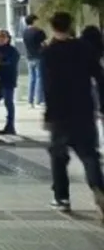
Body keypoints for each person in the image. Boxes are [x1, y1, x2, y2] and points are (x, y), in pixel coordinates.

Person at [42, 12, 104, 215]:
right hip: (83, 108)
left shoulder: (49, 52)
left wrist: (49, 114)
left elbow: (48, 86)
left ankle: (62, 198)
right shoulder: (84, 48)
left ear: (53, 27)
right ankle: (99, 188)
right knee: (89, 154)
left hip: (60, 112)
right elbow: (99, 76)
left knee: (58, 156)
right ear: (70, 26)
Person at [0, 29, 20, 136]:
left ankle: (10, 126)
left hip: (8, 80)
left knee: (8, 103)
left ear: (8, 38)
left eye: (3, 37)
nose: (1, 39)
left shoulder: (13, 51)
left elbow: (10, 63)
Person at [22, 14, 47, 108]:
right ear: (34, 21)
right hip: (39, 56)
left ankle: (30, 101)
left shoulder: (25, 32)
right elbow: (44, 43)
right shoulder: (39, 31)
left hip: (29, 56)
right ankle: (39, 100)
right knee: (39, 78)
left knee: (32, 79)